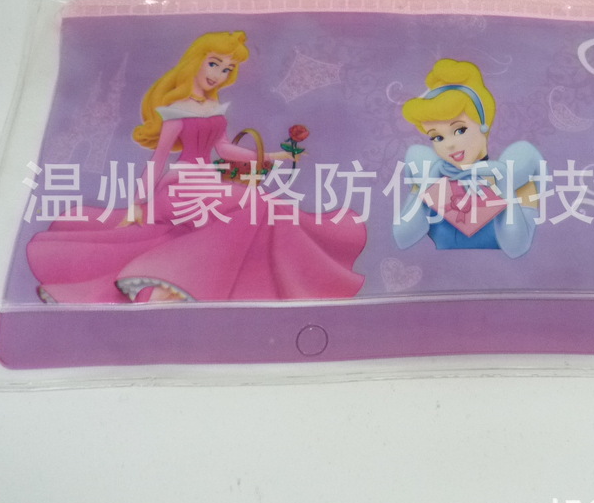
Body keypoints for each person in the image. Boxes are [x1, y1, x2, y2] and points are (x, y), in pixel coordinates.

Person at [27, 31, 366, 302]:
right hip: (181, 185)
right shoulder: (176, 111)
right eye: (214, 64)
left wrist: (275, 157)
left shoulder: (214, 107)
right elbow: (158, 159)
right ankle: (172, 285)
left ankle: (261, 283)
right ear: (197, 62)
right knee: (254, 203)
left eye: (227, 69)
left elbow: (225, 149)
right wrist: (138, 203)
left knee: (260, 207)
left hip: (209, 182)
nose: (219, 75)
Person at [395, 59, 543, 258]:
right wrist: (430, 183)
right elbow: (403, 239)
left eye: (460, 130)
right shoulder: (430, 177)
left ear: (483, 124)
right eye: (437, 137)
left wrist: (504, 183)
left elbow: (516, 249)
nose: (449, 145)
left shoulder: (517, 179)